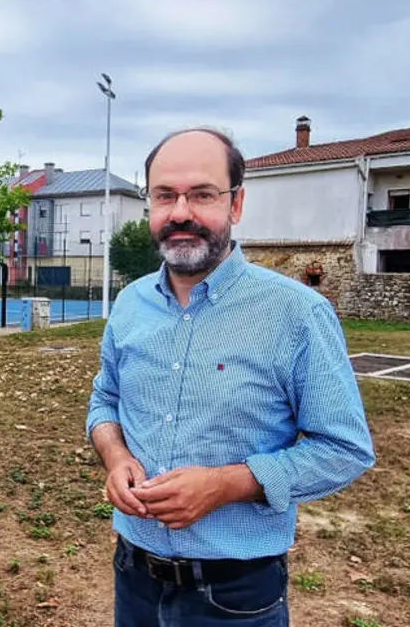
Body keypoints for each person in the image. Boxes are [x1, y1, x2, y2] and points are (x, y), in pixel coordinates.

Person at [86, 128, 376, 626]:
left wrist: (227, 484)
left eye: (202, 194)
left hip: (236, 595)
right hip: (132, 575)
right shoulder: (130, 304)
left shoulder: (297, 314)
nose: (180, 212)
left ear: (236, 204)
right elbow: (105, 400)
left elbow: (345, 449)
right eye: (164, 195)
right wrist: (116, 456)